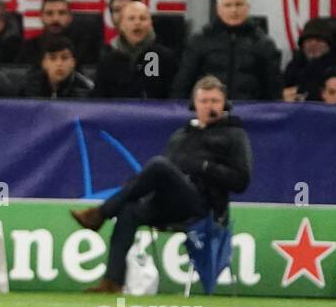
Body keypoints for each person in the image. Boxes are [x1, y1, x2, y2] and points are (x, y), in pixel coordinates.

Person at [72, 75, 251, 294]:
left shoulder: (234, 134)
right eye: (204, 101)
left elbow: (241, 181)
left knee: (158, 165)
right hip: (170, 203)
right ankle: (112, 282)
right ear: (194, 104)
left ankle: (100, 213)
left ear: (224, 104)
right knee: (129, 210)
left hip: (204, 206)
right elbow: (162, 177)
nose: (209, 106)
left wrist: (205, 167)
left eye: (215, 101)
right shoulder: (181, 135)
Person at [171, 0, 283, 101]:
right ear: (218, 9)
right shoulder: (199, 41)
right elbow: (183, 83)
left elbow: (274, 87)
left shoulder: (264, 44)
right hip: (208, 110)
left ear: (248, 8)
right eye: (227, 5)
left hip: (252, 112)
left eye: (238, 4)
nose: (233, 10)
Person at [93, 0, 177, 99]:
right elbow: (98, 99)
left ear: (150, 24)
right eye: (131, 19)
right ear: (121, 26)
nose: (137, 22)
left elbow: (174, 96)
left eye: (143, 18)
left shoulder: (165, 57)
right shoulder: (108, 60)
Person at [282, 17, 336, 102]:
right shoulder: (295, 64)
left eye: (318, 40)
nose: (313, 43)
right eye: (309, 40)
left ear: (328, 44)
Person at [21, 35, 94, 98]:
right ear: (44, 63)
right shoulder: (29, 86)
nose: (59, 63)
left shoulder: (85, 88)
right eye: (52, 58)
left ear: (73, 63)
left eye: (64, 58)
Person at [16, 0, 73, 65]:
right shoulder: (29, 48)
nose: (55, 19)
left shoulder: (82, 48)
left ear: (70, 17)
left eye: (61, 13)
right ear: (41, 17)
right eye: (49, 13)